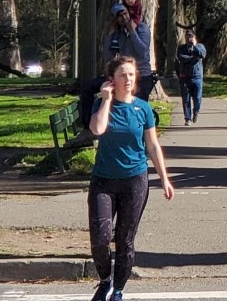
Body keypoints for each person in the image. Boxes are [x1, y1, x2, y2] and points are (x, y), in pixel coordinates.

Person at [86, 55, 175, 301]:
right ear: (112, 79)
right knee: (101, 238)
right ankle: (105, 281)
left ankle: (119, 290)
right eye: (123, 74)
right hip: (103, 180)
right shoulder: (101, 105)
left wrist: (164, 179)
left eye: (131, 74)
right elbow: (97, 129)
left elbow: (153, 146)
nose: (128, 79)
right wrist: (105, 100)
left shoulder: (143, 108)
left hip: (134, 180)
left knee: (125, 240)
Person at [106, 3, 153, 100]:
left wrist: (132, 31)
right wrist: (110, 36)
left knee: (138, 107)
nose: (124, 18)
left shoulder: (142, 28)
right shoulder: (119, 34)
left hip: (142, 75)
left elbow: (142, 51)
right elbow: (108, 56)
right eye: (119, 16)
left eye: (125, 13)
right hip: (125, 76)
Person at [175, 30, 206, 125]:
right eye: (187, 37)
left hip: (197, 77)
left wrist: (195, 47)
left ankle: (196, 112)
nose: (189, 39)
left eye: (191, 37)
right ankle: (187, 118)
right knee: (186, 99)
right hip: (185, 77)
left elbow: (202, 55)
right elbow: (181, 58)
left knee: (197, 98)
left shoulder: (200, 47)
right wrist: (193, 59)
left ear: (195, 37)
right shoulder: (181, 48)